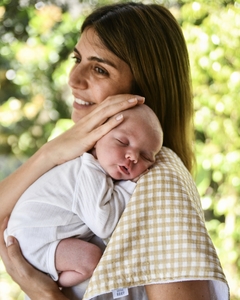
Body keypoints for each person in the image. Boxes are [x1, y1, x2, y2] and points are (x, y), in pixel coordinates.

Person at [0, 2, 229, 300]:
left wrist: (46, 296)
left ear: (141, 91)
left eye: (99, 69)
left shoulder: (158, 183)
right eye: (76, 59)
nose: (73, 79)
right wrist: (53, 151)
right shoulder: (97, 160)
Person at [4, 105, 163, 288]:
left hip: (33, 233)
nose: (133, 156)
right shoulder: (88, 171)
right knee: (90, 259)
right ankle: (52, 285)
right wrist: (128, 187)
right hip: (32, 239)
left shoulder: (96, 170)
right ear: (96, 138)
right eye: (122, 142)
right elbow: (105, 225)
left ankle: (51, 285)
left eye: (146, 156)